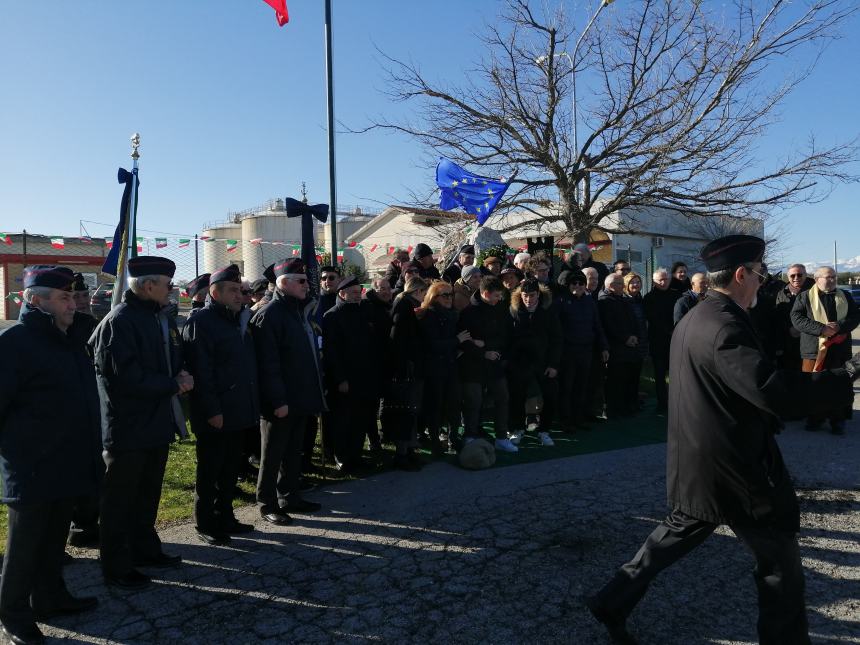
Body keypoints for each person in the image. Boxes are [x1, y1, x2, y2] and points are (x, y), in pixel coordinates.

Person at [586, 234, 860, 645]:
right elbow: (771, 390)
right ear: (739, 273)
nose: (760, 281)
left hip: (699, 459)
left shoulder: (698, 317)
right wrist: (847, 375)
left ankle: (612, 600)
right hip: (736, 465)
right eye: (758, 273)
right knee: (780, 563)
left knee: (672, 537)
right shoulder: (724, 325)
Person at [0, 266, 100, 644]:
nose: (73, 303)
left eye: (73, 296)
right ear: (35, 300)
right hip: (32, 465)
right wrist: (17, 455)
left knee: (54, 540)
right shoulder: (16, 344)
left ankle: (50, 597)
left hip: (68, 459)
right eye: (63, 297)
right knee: (25, 547)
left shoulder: (69, 340)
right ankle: (13, 615)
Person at [90, 256, 192, 590]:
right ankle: (117, 567)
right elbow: (126, 379)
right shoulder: (121, 321)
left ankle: (145, 551)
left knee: (147, 495)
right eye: (168, 285)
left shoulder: (154, 317)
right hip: (128, 428)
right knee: (119, 502)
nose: (172, 290)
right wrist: (173, 384)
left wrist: (178, 375)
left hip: (154, 423)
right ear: (149, 286)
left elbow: (168, 360)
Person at [182, 264, 259, 546]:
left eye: (240, 290)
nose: (240, 295)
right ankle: (206, 522)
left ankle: (225, 515)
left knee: (229, 470)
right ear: (214, 292)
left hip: (238, 408)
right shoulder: (201, 322)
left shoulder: (238, 320)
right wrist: (213, 410)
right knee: (210, 470)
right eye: (233, 290)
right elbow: (202, 372)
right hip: (216, 412)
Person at [250, 258, 325, 526]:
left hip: (300, 396)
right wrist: (277, 400)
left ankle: (290, 496)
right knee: (272, 455)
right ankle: (267, 503)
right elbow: (267, 364)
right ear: (284, 283)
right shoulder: (269, 315)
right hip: (279, 401)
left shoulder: (297, 311)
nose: (308, 285)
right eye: (302, 281)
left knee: (293, 452)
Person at [790, 265, 860, 434]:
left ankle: (838, 420)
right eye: (828, 277)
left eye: (834, 277)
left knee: (839, 386)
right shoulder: (805, 297)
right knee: (813, 385)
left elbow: (855, 316)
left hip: (839, 349)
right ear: (816, 279)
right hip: (813, 350)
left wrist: (839, 327)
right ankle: (815, 418)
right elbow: (797, 318)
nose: (832, 280)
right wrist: (821, 328)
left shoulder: (846, 296)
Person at [322, 275, 379, 472]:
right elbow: (332, 352)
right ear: (342, 293)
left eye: (359, 292)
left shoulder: (364, 311)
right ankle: (341, 457)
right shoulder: (332, 316)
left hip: (364, 376)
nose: (357, 296)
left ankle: (356, 455)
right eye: (353, 293)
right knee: (343, 420)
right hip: (345, 378)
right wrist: (340, 379)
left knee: (360, 419)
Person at [458, 276, 514, 451]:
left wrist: (486, 346)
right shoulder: (468, 312)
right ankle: (470, 436)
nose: (499, 299)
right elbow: (465, 341)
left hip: (495, 363)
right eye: (496, 295)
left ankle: (502, 437)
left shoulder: (502, 309)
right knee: (474, 402)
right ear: (485, 293)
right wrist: (483, 352)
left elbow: (506, 336)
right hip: (473, 366)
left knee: (502, 397)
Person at [507, 278, 562, 446]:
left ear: (538, 294)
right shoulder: (514, 311)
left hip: (544, 361)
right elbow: (508, 337)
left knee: (551, 396)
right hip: (520, 362)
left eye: (532, 295)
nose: (528, 299)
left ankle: (544, 430)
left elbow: (557, 339)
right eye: (525, 295)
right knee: (517, 397)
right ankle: (518, 428)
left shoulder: (548, 311)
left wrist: (553, 364)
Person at [385, 277, 428, 470]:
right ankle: (402, 454)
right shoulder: (404, 307)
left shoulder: (408, 306)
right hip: (405, 370)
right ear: (418, 292)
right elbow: (397, 340)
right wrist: (402, 366)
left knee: (411, 411)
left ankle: (409, 450)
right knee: (406, 411)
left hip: (409, 367)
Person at [557, 269, 608, 431]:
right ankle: (565, 420)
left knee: (581, 386)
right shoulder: (561, 302)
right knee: (567, 387)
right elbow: (556, 330)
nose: (578, 286)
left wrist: (604, 346)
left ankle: (578, 418)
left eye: (581, 283)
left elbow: (597, 326)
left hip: (586, 350)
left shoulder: (589, 302)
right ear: (568, 284)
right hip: (567, 352)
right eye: (574, 283)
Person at [416, 281, 464, 454]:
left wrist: (458, 346)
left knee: (454, 404)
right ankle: (435, 441)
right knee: (434, 406)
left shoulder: (452, 314)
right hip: (434, 368)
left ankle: (453, 439)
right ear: (434, 297)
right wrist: (457, 341)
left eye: (451, 294)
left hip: (451, 366)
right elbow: (432, 344)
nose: (449, 298)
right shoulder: (428, 315)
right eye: (445, 295)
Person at [598, 273, 641, 418]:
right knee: (616, 381)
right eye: (620, 284)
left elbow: (633, 320)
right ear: (611, 286)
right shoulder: (604, 302)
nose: (623, 286)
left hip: (629, 348)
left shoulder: (623, 300)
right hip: (616, 348)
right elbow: (609, 325)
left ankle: (627, 406)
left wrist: (634, 336)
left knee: (628, 379)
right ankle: (613, 410)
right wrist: (625, 338)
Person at [642, 268, 675, 416]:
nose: (663, 282)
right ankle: (662, 403)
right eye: (660, 280)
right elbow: (652, 319)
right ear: (654, 281)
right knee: (660, 375)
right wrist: (669, 330)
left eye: (665, 279)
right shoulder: (649, 298)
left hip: (675, 342)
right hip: (658, 341)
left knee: (676, 375)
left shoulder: (676, 295)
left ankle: (676, 402)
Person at [773, 264, 813, 371]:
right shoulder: (782, 293)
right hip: (788, 343)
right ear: (788, 276)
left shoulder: (816, 292)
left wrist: (800, 329)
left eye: (800, 275)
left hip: (810, 342)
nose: (796, 278)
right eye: (792, 275)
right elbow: (778, 317)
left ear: (805, 275)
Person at [624, 271, 649, 411]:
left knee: (636, 375)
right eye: (632, 282)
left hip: (642, 341)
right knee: (628, 376)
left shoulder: (641, 300)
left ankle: (634, 401)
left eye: (638, 282)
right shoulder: (624, 300)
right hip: (629, 344)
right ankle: (628, 403)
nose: (635, 284)